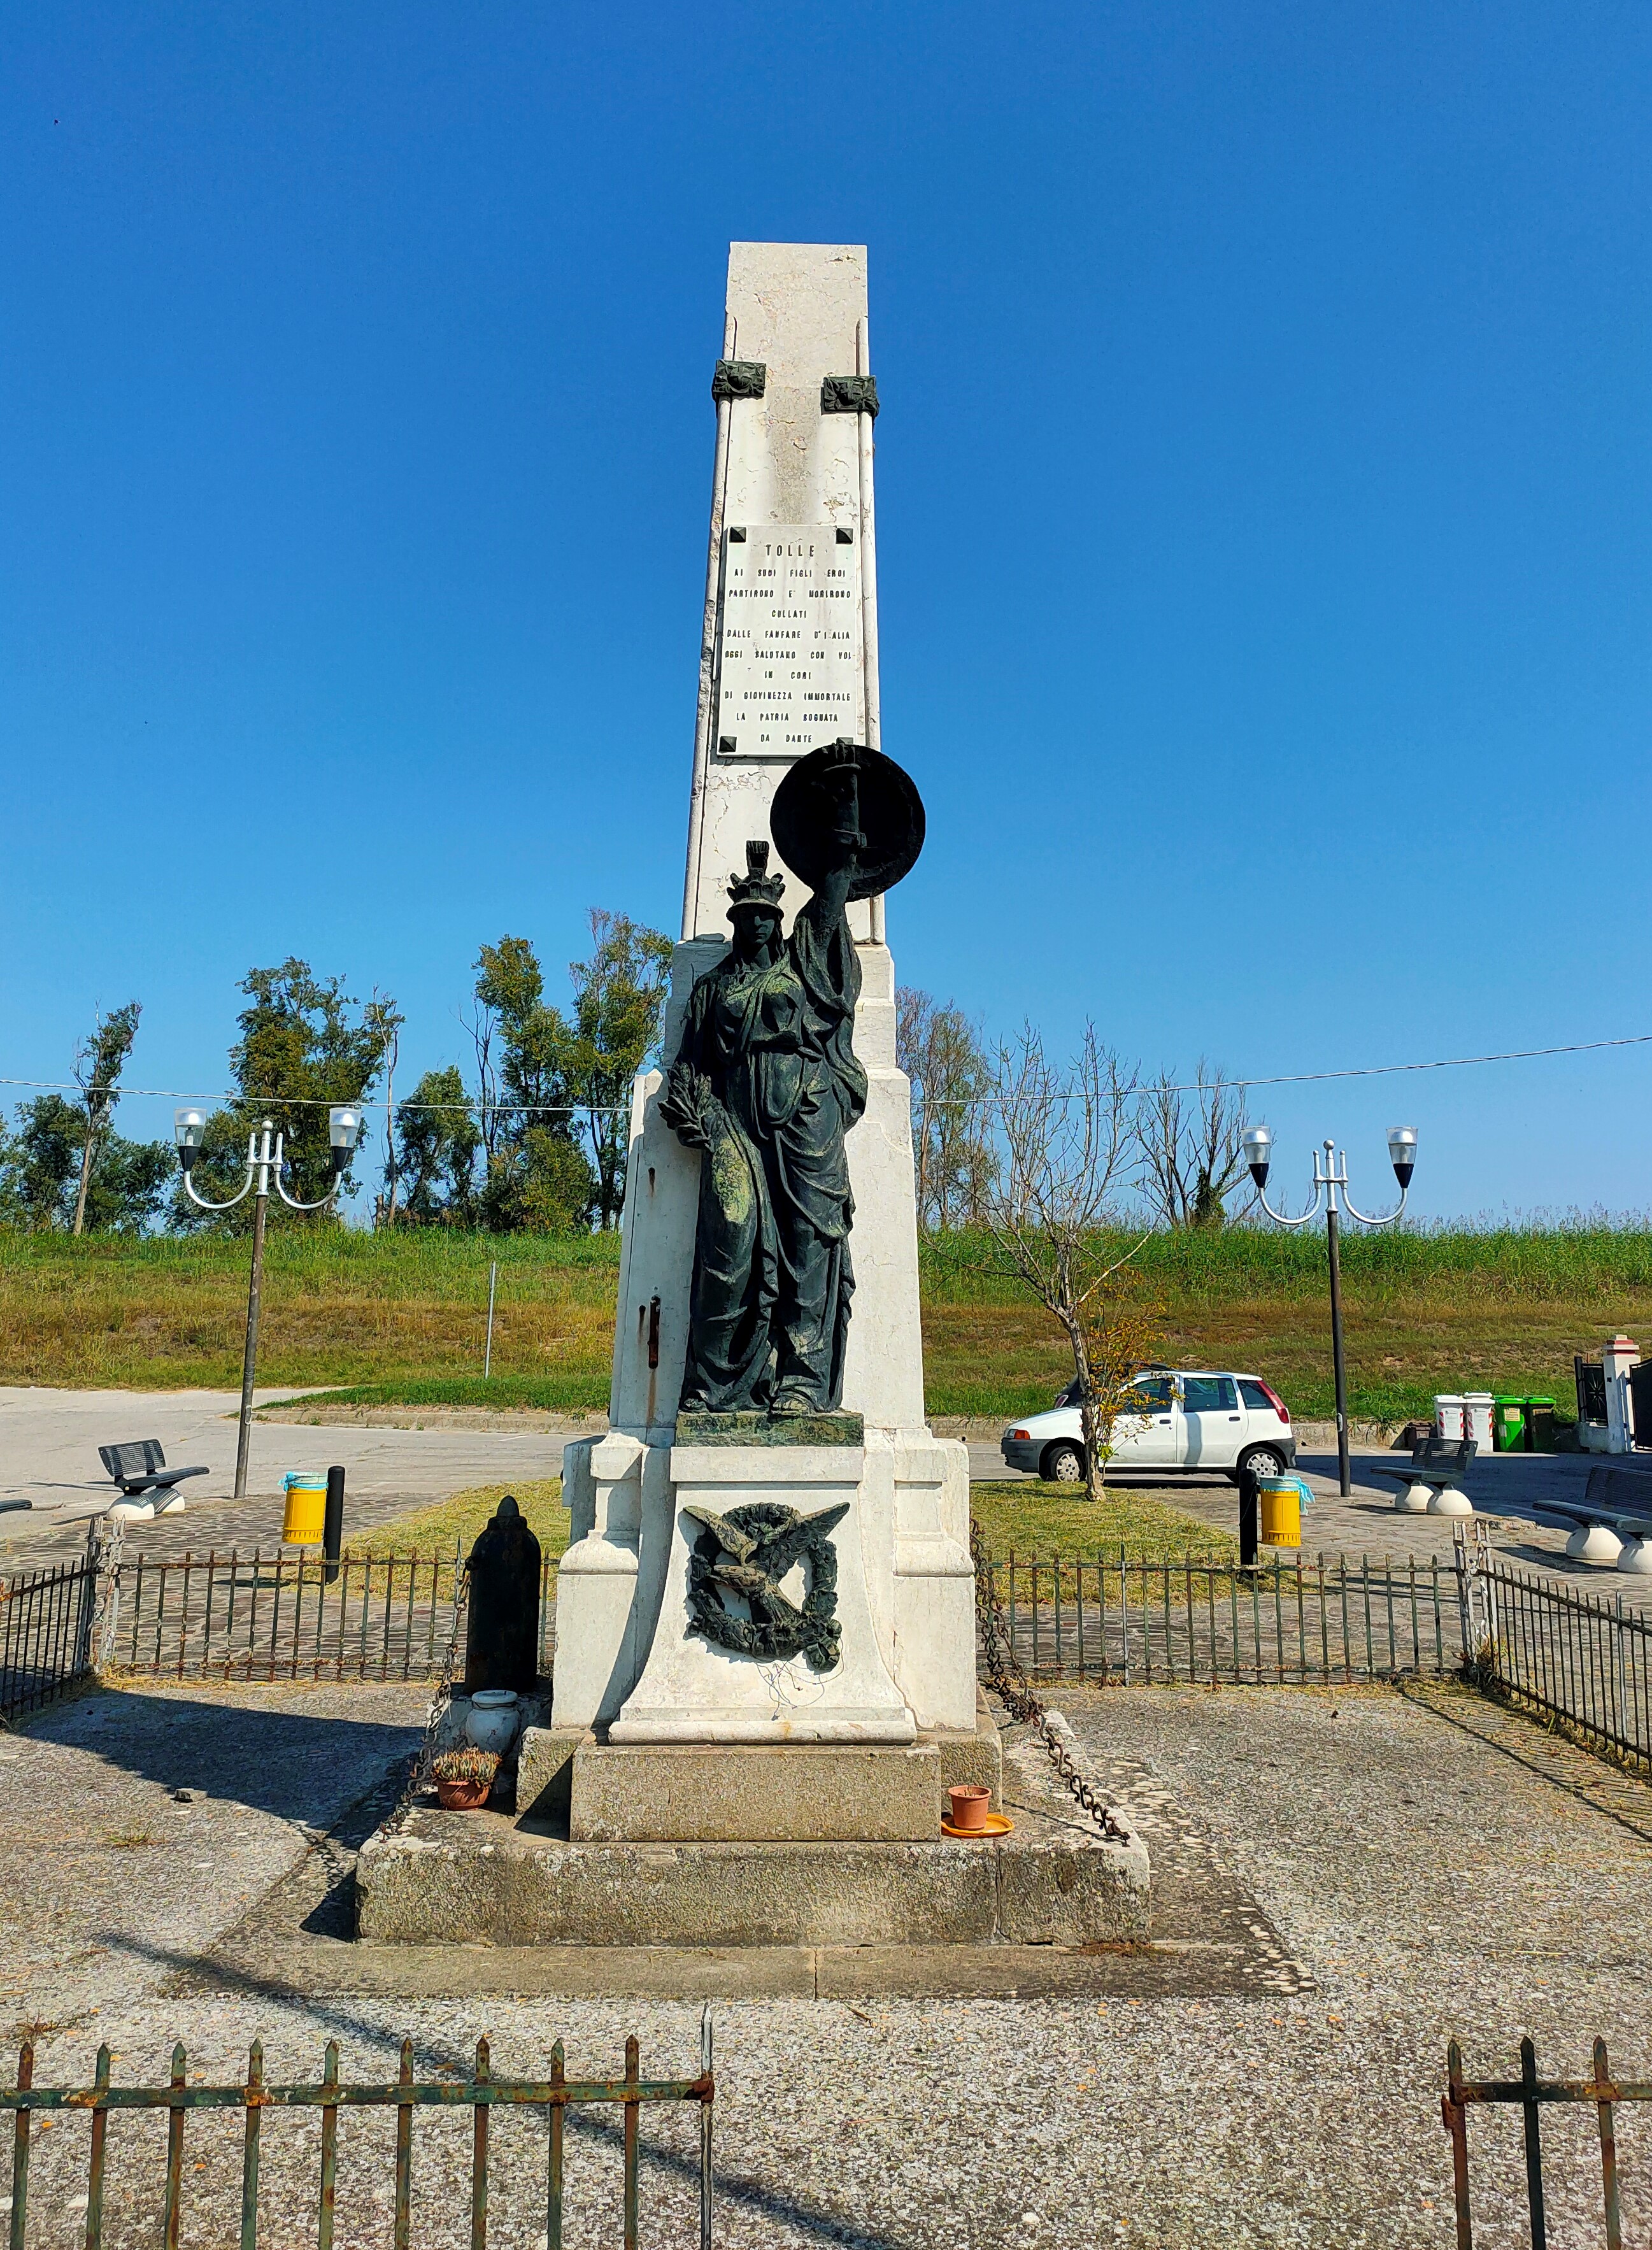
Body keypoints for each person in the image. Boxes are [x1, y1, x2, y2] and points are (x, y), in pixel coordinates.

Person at [660, 792, 865, 1416]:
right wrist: (698, 1115)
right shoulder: (713, 986)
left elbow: (827, 918)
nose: (755, 923)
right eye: (745, 914)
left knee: (810, 1242)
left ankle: (803, 1380)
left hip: (806, 1116)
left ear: (777, 921)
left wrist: (841, 852)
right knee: (733, 1246)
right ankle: (722, 1384)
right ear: (733, 920)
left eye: (764, 915)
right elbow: (689, 1067)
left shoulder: (802, 969)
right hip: (738, 1120)